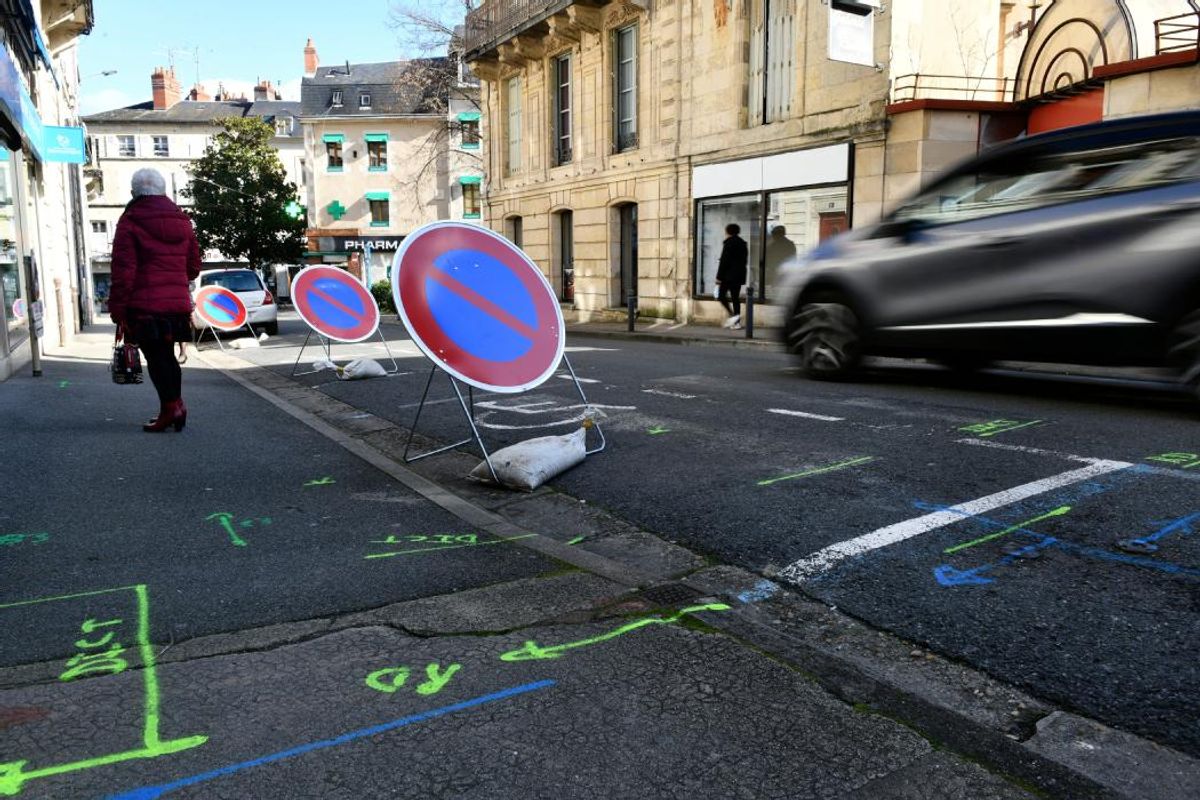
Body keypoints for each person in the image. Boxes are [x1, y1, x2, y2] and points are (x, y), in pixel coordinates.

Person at [108, 168, 201, 432]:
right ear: (163, 191)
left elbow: (123, 271)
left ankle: (170, 409)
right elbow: (194, 267)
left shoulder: (130, 220)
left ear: (134, 192)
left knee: (157, 359)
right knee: (168, 358)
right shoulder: (182, 220)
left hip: (146, 306)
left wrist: (117, 310)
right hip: (176, 304)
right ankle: (176, 406)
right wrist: (173, 275)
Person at [715, 222, 748, 329]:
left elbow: (724, 261)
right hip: (739, 275)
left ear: (727, 232)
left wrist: (719, 277)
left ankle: (733, 316)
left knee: (721, 296)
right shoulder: (743, 243)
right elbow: (743, 261)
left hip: (728, 275)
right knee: (735, 298)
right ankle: (737, 323)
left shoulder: (728, 243)